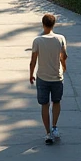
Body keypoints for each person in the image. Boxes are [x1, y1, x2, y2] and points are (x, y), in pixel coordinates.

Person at [29, 13, 68, 145]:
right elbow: (64, 56)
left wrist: (31, 74)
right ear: (54, 24)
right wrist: (63, 67)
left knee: (44, 105)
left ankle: (47, 133)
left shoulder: (37, 40)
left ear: (43, 24)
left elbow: (33, 61)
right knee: (56, 102)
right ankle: (55, 126)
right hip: (57, 77)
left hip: (42, 77)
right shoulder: (61, 38)